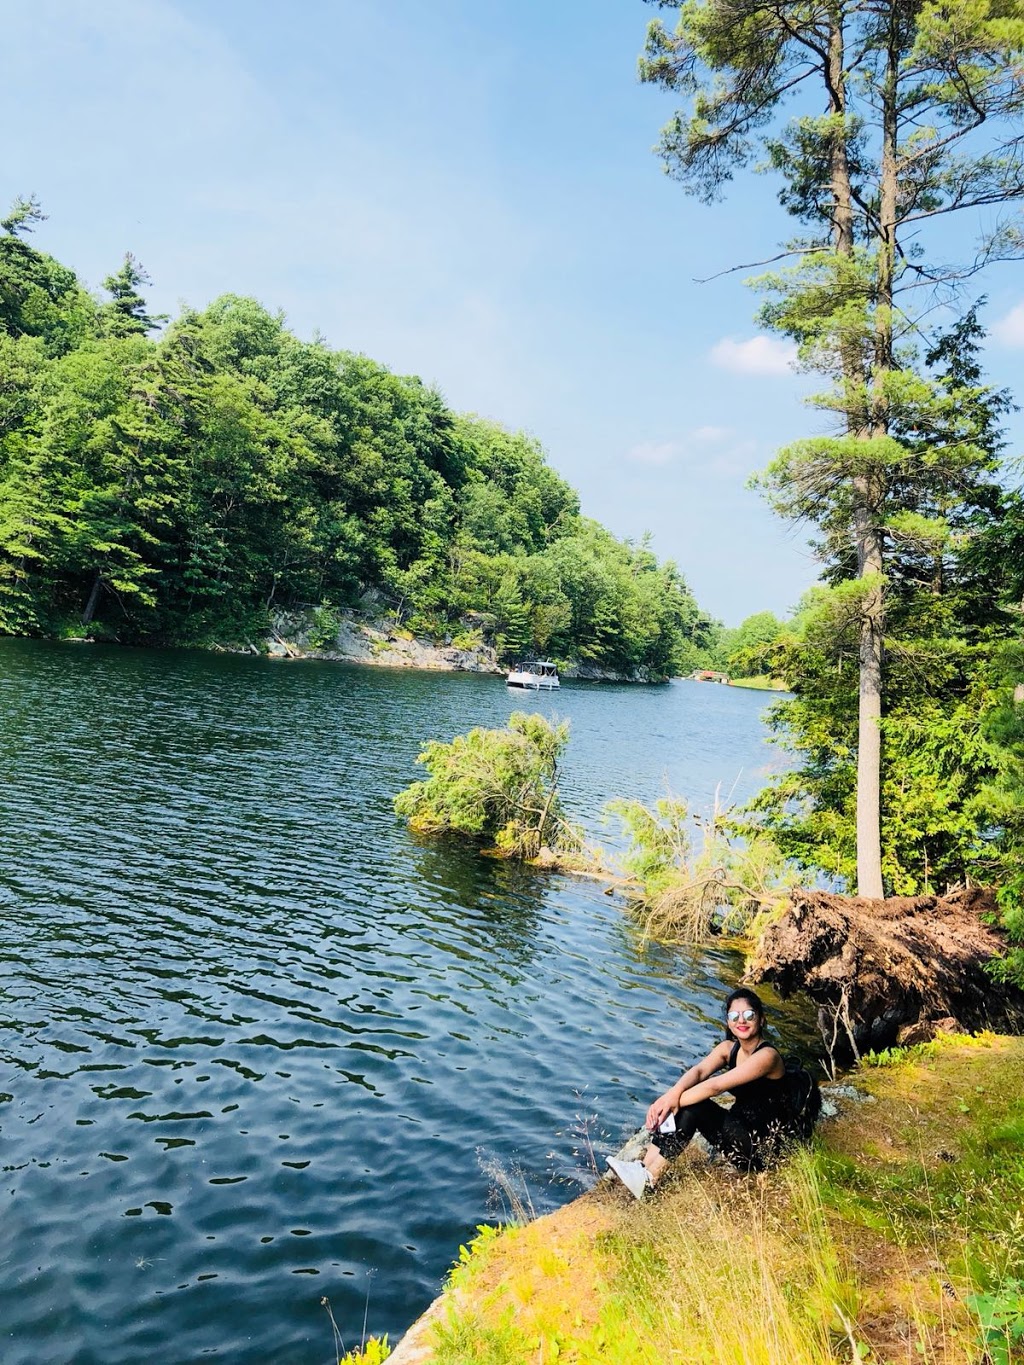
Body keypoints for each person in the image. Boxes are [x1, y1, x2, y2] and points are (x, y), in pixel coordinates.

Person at [607, 988, 794, 1198]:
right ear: (729, 1022)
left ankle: (651, 1178)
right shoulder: (728, 1048)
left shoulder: (767, 1056)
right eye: (734, 1016)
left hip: (763, 1148)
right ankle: (642, 1169)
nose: (742, 1020)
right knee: (684, 1099)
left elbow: (714, 1086)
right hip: (739, 1131)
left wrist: (671, 1102)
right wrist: (673, 1094)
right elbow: (699, 1071)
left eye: (749, 1015)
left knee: (694, 1105)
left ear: (761, 1019)